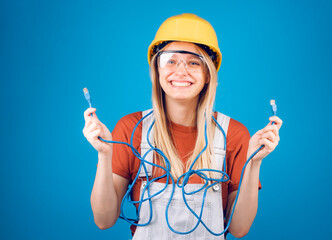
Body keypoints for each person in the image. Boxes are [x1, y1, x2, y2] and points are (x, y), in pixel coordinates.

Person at [83, 13, 283, 239]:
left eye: (193, 62)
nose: (180, 71)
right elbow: (103, 219)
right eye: (170, 60)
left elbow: (239, 229)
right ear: (157, 70)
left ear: (208, 74)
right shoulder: (132, 129)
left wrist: (254, 162)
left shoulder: (233, 134)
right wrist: (104, 155)